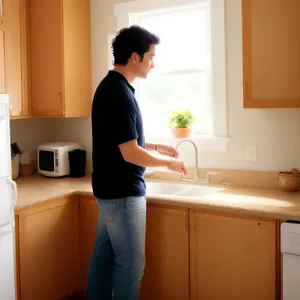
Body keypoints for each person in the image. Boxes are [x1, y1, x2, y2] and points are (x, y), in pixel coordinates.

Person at [87, 25, 187, 300]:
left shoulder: (112, 87)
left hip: (109, 193)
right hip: (122, 194)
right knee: (131, 267)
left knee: (103, 262)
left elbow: (123, 139)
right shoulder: (120, 94)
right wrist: (169, 165)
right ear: (134, 57)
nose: (153, 64)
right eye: (151, 56)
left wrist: (157, 146)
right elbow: (130, 153)